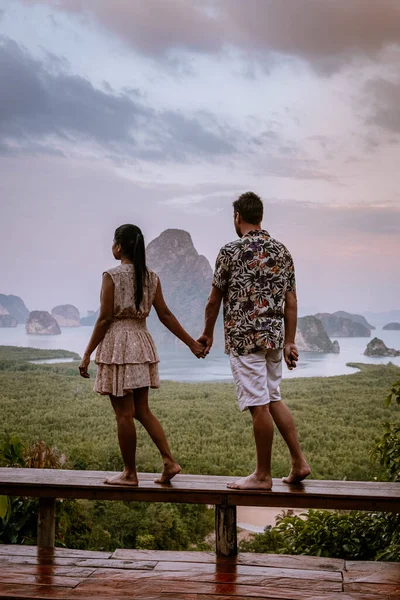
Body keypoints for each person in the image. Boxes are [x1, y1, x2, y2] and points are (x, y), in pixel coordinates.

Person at [198, 192, 310, 490]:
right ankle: (299, 462)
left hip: (244, 338)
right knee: (273, 398)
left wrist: (207, 333)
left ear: (238, 217)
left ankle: (262, 476)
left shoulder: (230, 251)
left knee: (259, 405)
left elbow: (214, 300)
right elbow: (291, 301)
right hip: (274, 338)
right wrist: (289, 342)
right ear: (260, 216)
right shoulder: (282, 251)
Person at [79, 224, 205, 486]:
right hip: (142, 341)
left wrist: (88, 353)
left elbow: (104, 319)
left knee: (124, 414)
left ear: (119, 247)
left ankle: (129, 474)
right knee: (143, 410)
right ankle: (169, 461)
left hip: (118, 344)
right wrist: (191, 344)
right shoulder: (151, 277)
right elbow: (166, 315)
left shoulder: (111, 276)